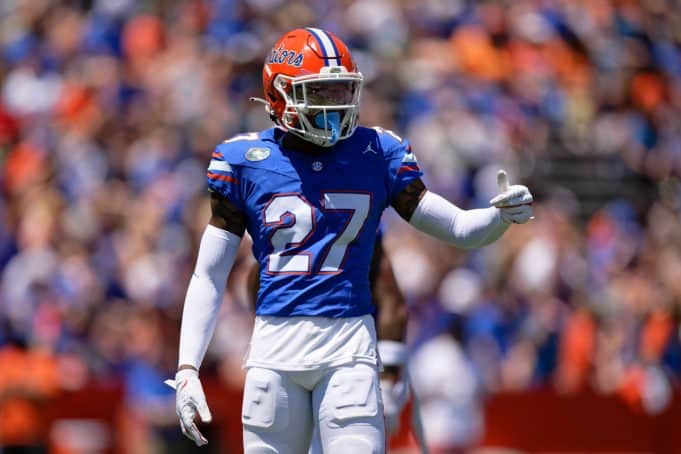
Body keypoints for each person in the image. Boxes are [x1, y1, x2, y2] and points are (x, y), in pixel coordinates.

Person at [165, 27, 533, 453]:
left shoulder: (377, 152)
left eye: (341, 91)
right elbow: (208, 275)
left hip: (348, 349)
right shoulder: (244, 162)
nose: (335, 106)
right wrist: (188, 367)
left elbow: (459, 230)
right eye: (320, 94)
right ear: (280, 95)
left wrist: (498, 217)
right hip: (272, 352)